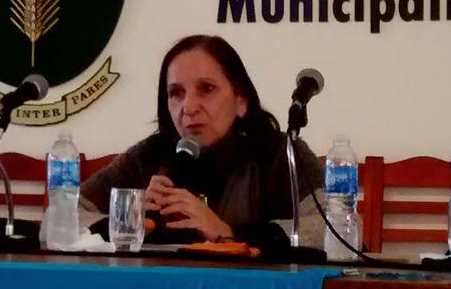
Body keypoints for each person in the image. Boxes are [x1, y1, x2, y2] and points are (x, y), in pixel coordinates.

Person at [80, 34, 324, 248]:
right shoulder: (149, 155)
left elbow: (331, 227)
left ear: (240, 100)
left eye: (207, 89)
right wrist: (128, 220)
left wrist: (228, 233)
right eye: (176, 93)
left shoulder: (281, 153)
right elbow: (68, 215)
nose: (189, 107)